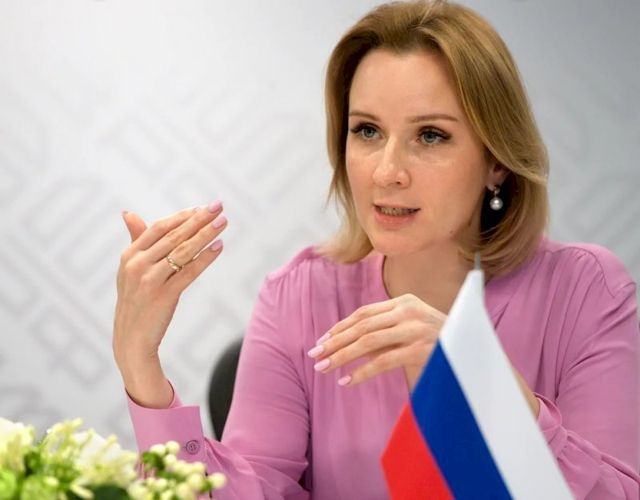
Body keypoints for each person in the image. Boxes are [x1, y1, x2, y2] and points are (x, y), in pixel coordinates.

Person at [112, 1, 640, 498]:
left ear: (497, 161)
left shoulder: (584, 289)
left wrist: (478, 377)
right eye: (367, 131)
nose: (387, 172)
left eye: (430, 136)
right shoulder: (299, 296)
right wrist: (141, 368)